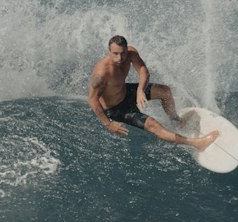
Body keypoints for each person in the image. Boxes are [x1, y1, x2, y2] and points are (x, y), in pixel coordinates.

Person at [88, 35, 217, 152]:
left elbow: (143, 70)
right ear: (109, 51)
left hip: (125, 91)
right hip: (116, 108)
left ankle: (176, 120)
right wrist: (108, 124)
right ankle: (196, 143)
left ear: (127, 49)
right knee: (153, 125)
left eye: (123, 53)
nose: (119, 58)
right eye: (115, 53)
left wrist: (140, 91)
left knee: (165, 91)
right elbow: (92, 100)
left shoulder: (131, 53)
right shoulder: (101, 74)